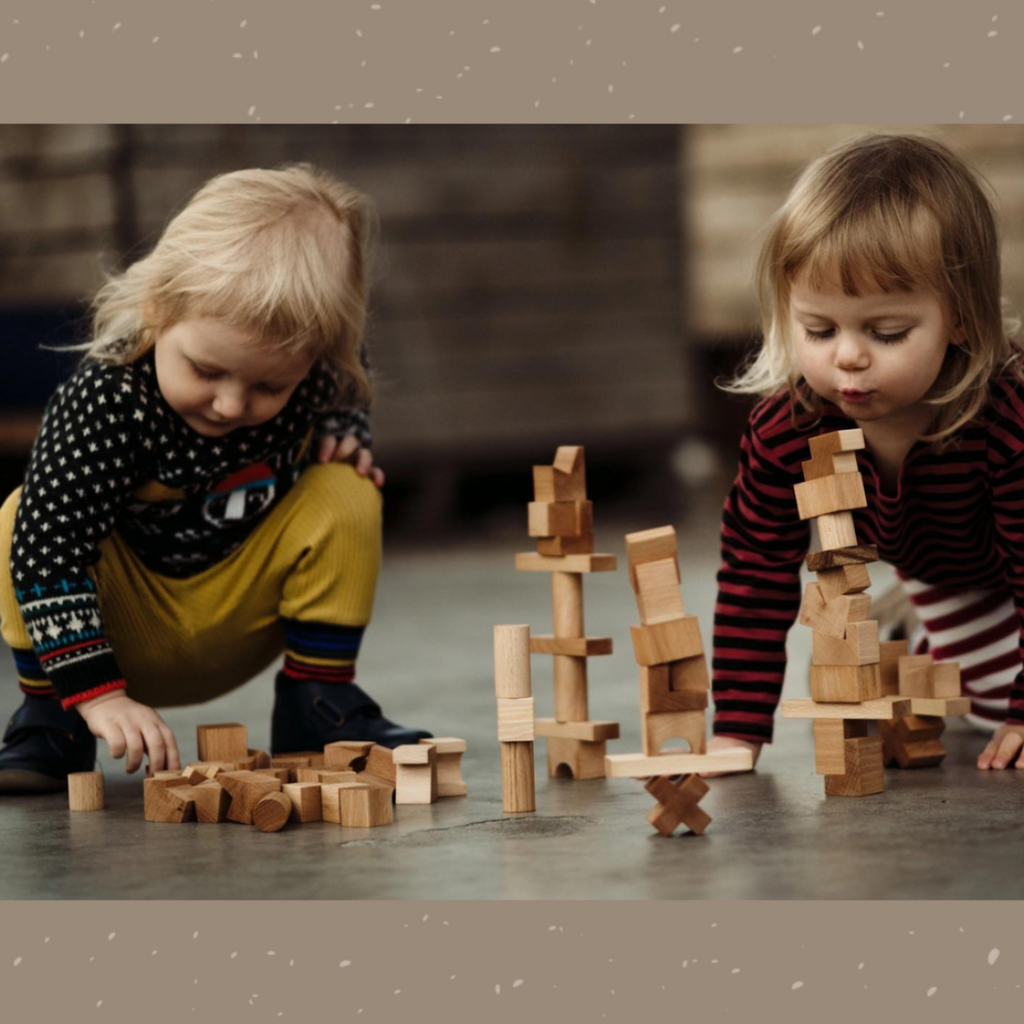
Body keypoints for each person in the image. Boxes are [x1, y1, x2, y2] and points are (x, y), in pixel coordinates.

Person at [0, 162, 431, 792]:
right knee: (22, 519)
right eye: (205, 370)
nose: (231, 405)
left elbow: (347, 372)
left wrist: (348, 432)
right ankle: (51, 721)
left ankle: (317, 700)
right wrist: (98, 698)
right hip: (112, 635)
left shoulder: (319, 369)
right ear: (156, 311)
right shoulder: (109, 400)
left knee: (347, 489)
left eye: (268, 385)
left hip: (237, 618)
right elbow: (50, 551)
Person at [705, 133, 1024, 773]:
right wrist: (737, 731)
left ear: (960, 318)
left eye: (886, 332)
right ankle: (917, 630)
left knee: (1000, 712)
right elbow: (754, 572)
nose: (847, 356)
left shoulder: (1004, 424)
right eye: (818, 330)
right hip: (940, 574)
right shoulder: (787, 431)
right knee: (971, 697)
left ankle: (926, 635)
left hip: (1005, 571)